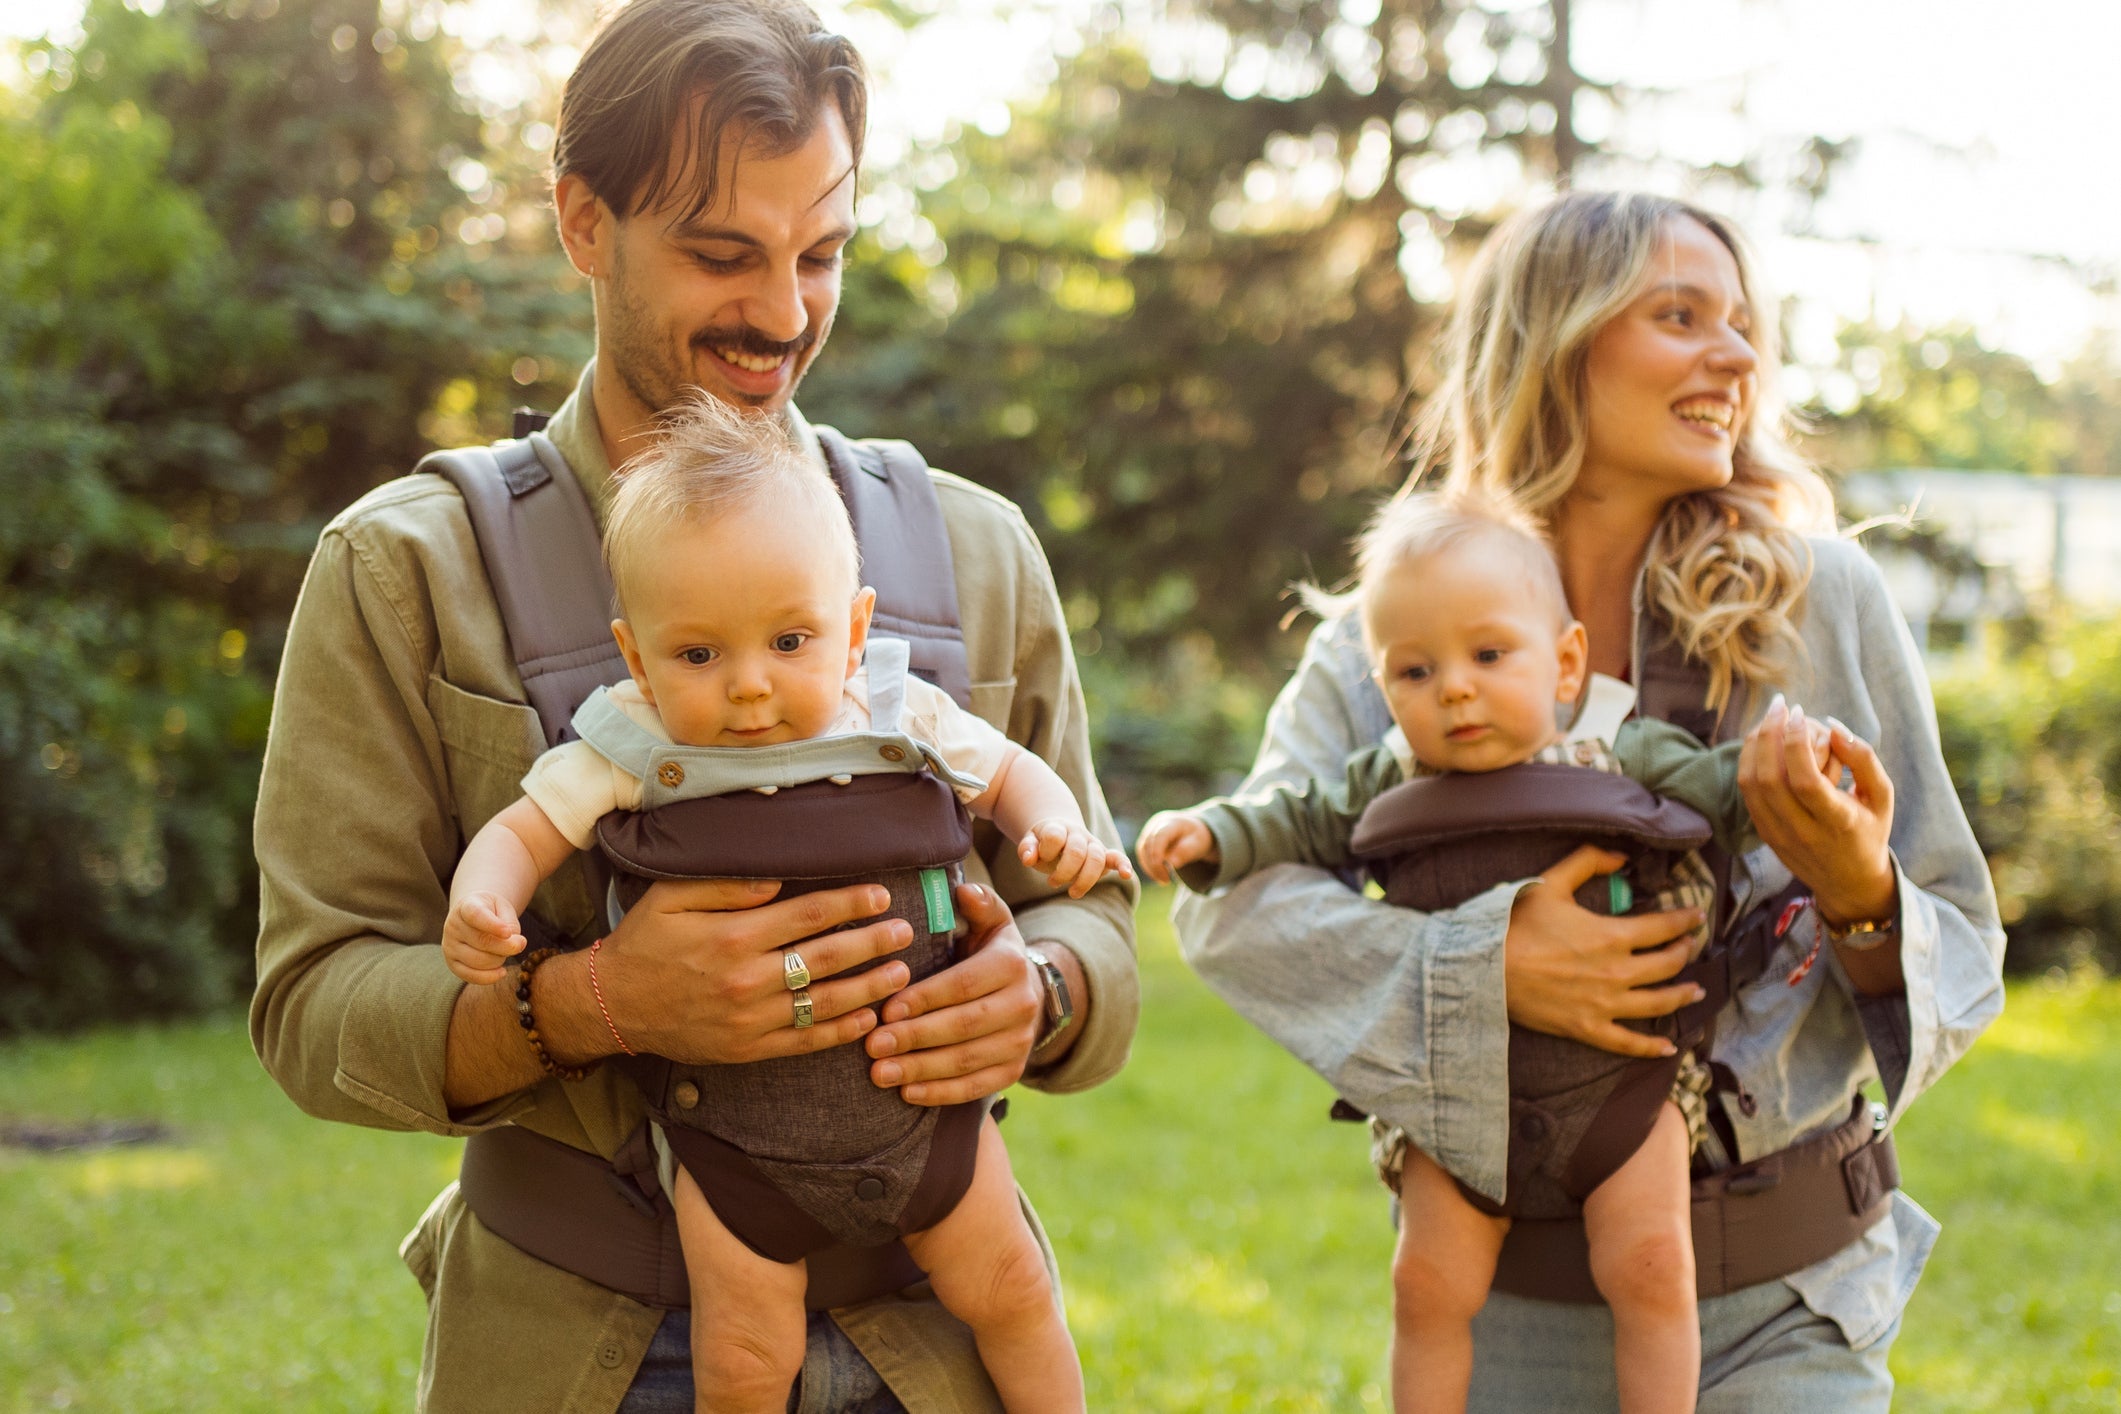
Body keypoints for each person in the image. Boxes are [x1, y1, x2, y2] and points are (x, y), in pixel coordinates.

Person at [249, 2, 1140, 1409]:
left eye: (821, 253)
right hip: (583, 1351)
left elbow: (1098, 917)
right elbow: (312, 1004)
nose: (782, 315)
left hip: (942, 1335)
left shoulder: (975, 547)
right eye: (723, 254)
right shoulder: (405, 569)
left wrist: (1038, 992)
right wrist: (595, 1001)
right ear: (583, 221)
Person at [1173, 190, 2004, 1411]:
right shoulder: (1389, 640)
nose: (1738, 356)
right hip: (1508, 1325)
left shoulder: (1824, 601)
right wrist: (1481, 966)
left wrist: (1859, 891)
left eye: (1741, 324)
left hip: (1796, 1308)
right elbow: (1228, 906)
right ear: (1554, 343)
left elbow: (1962, 940)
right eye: (1682, 316)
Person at [443, 396, 1121, 1413]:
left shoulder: (898, 708)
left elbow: (1011, 773)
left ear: (855, 629)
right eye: (698, 655)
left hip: (925, 1110)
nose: (750, 686)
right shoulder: (632, 741)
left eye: (791, 640)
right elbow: (524, 829)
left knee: (1013, 1291)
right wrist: (483, 898)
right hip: (735, 1145)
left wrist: (1053, 827)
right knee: (744, 1359)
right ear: (636, 656)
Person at [1140, 490, 1833, 1413]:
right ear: (1382, 687)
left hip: (1619, 1083)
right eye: (1414, 671)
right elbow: (1296, 817)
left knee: (1651, 1264)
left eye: (1488, 655)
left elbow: (1725, 795)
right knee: (1426, 1283)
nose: (1454, 688)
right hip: (1451, 1087)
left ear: (1565, 661)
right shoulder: (1389, 777)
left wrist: (1792, 772)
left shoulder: (1624, 755)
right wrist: (1211, 834)